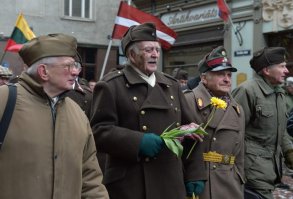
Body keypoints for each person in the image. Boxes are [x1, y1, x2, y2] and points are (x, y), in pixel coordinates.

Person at [90, 22, 206, 199]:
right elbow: (98, 132)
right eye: (148, 50)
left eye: (157, 50)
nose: (155, 55)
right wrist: (138, 142)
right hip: (132, 182)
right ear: (131, 54)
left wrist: (195, 173)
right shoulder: (111, 85)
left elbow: (192, 131)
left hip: (170, 181)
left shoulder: (171, 85)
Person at [0, 33, 108, 199]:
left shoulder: (77, 113)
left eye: (76, 66)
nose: (75, 72)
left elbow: (90, 178)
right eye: (68, 66)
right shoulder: (4, 100)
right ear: (44, 71)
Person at [232, 47, 293, 199]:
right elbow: (233, 131)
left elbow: (281, 130)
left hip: (270, 170)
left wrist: (290, 152)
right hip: (251, 171)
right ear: (266, 70)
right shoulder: (247, 91)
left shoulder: (278, 92)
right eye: (282, 66)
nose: (286, 71)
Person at [184, 46, 245, 199]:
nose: (227, 79)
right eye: (220, 74)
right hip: (199, 182)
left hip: (230, 183)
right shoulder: (188, 101)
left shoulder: (237, 109)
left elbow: (240, 154)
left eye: (229, 75)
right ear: (204, 78)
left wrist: (240, 179)